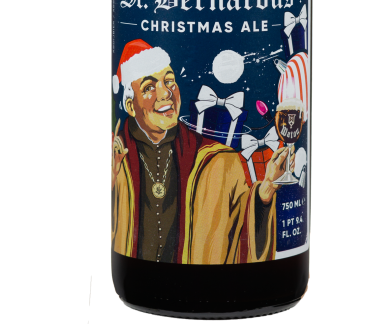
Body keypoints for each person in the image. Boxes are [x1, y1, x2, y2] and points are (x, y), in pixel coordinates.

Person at [110, 39, 292, 264]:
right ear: (130, 105)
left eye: (169, 81)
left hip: (227, 280)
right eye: (149, 87)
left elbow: (242, 226)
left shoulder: (220, 160)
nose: (166, 93)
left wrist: (266, 191)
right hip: (135, 273)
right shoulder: (118, 157)